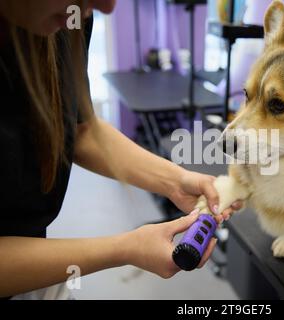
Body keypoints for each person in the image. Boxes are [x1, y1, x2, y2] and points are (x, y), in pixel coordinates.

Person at [0, 0, 241, 299]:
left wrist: (176, 182)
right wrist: (125, 248)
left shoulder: (66, 21)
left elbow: (79, 129)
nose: (108, 7)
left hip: (35, 266)